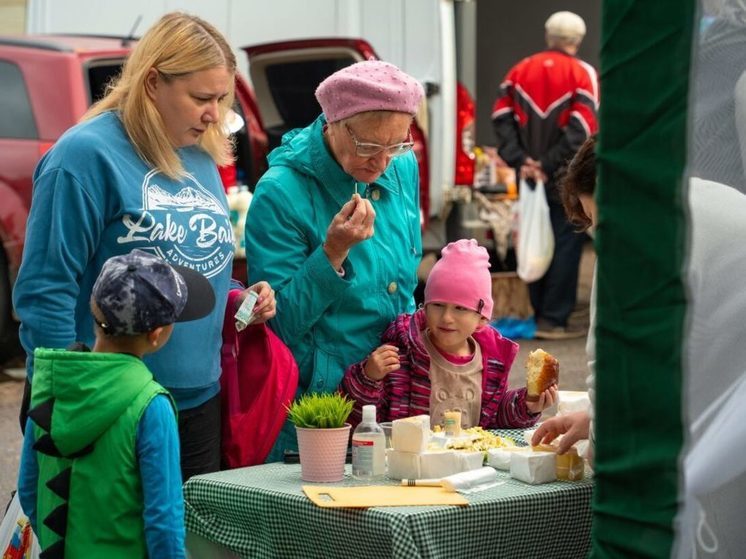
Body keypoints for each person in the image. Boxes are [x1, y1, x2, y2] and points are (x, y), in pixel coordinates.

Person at [12, 12, 276, 480]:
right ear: (153, 82)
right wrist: (69, 403)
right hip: (109, 404)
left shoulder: (200, 151)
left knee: (179, 548)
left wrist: (236, 298)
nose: (214, 114)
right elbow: (44, 290)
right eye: (201, 98)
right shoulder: (83, 156)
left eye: (220, 98)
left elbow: (188, 260)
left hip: (198, 402)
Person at [244, 60, 425, 461]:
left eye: (395, 145)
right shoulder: (279, 192)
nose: (381, 164)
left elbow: (405, 284)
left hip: (397, 393)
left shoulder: (402, 165)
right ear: (333, 122)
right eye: (368, 147)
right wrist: (332, 253)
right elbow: (280, 326)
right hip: (324, 405)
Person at [17, 249, 216, 557]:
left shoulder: (52, 384)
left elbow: (29, 490)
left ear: (94, 308)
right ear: (157, 334)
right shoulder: (152, 405)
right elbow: (164, 521)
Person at [342, 239, 557, 429]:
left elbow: (494, 417)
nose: (446, 317)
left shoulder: (491, 363)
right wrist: (368, 377)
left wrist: (526, 404)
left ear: (482, 318)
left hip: (468, 472)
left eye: (460, 308)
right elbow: (362, 422)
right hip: (412, 471)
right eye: (437, 305)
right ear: (424, 307)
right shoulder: (402, 356)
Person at [492, 10, 598, 340]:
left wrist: (521, 160)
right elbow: (583, 128)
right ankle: (554, 319)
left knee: (531, 239)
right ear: (577, 41)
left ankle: (537, 312)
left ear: (548, 36)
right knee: (566, 241)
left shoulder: (519, 71)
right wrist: (550, 163)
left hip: (528, 176)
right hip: (565, 175)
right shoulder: (583, 73)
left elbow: (501, 117)